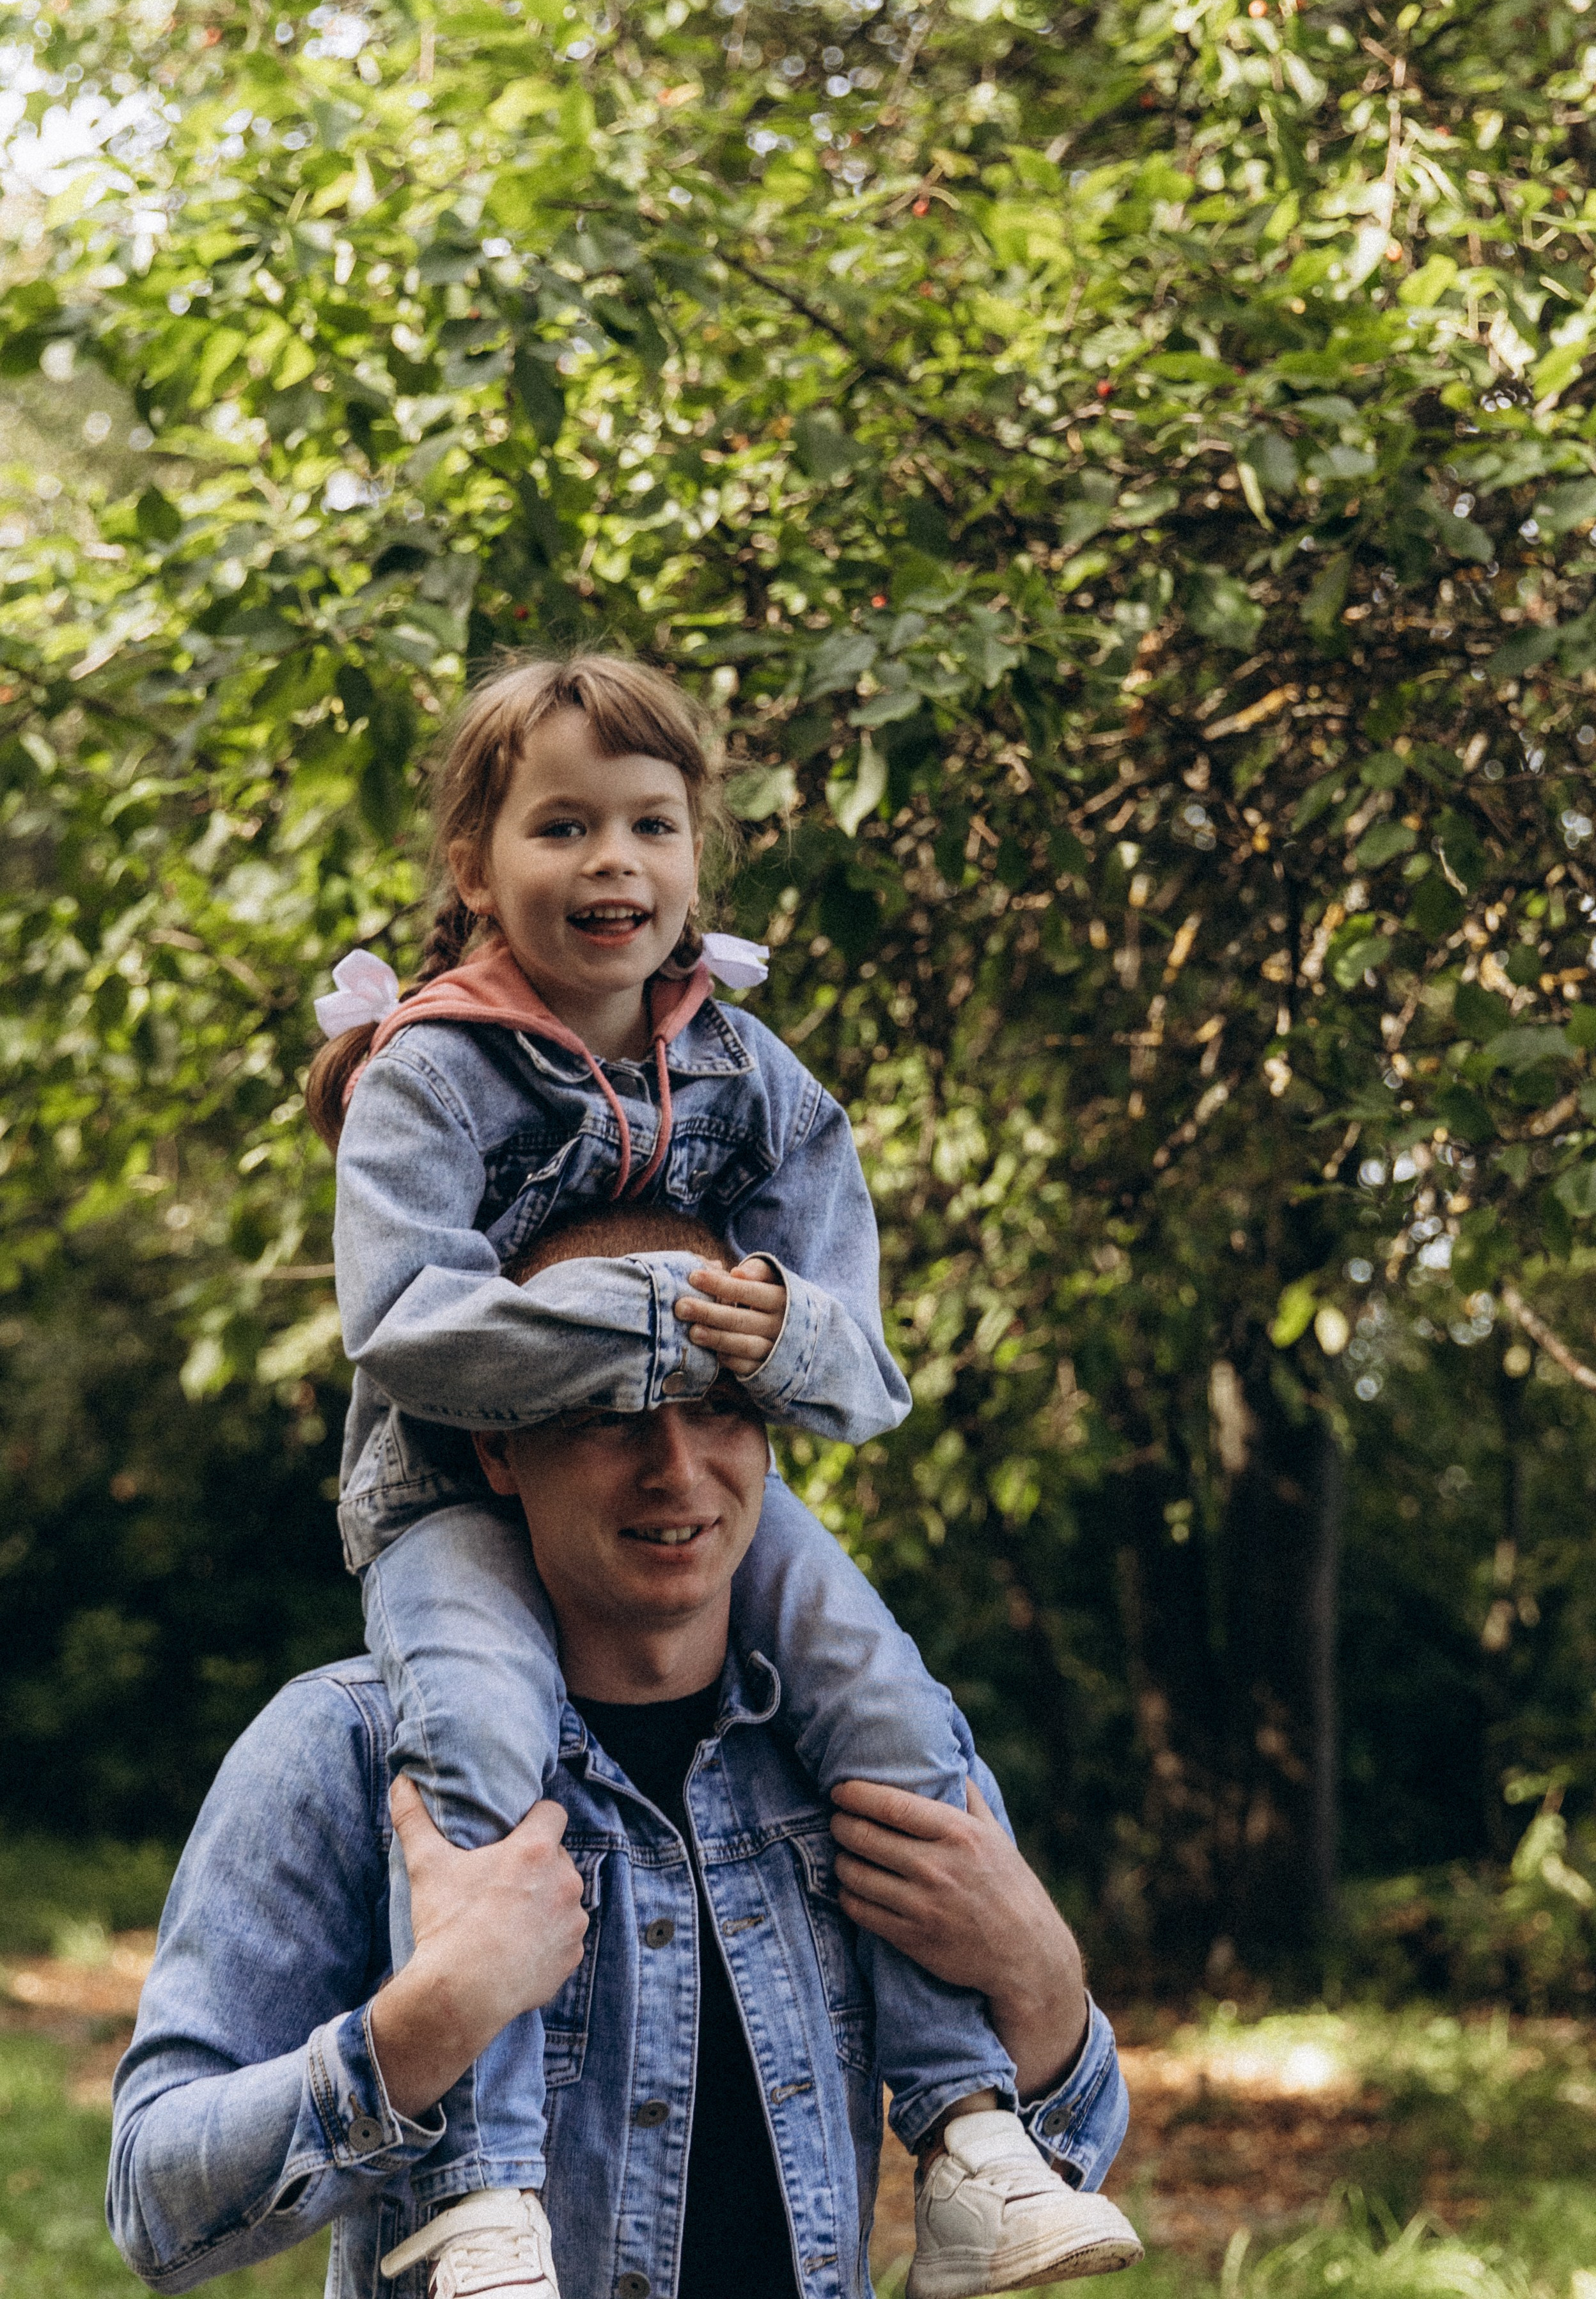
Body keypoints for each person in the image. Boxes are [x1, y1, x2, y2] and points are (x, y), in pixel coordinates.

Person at [300, 654, 1133, 2295]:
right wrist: (676, 1313)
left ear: (694, 860)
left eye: (650, 825)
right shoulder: (431, 1069)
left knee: (893, 1711)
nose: (612, 862)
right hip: (455, 1500)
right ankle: (482, 2191)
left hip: (688, 1458)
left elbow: (856, 1365)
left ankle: (968, 2131)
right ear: (476, 870)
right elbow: (402, 1323)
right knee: (475, 1734)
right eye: (561, 826)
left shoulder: (749, 1070)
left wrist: (780, 1338)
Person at [109, 1216, 1138, 2299]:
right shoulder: (344, 1750)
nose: (677, 1468)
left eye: (722, 1407)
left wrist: (1041, 1974)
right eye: (611, 1412)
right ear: (498, 1445)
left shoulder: (864, 1751)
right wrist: (424, 2026)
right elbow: (154, 2202)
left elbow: (1062, 2171)